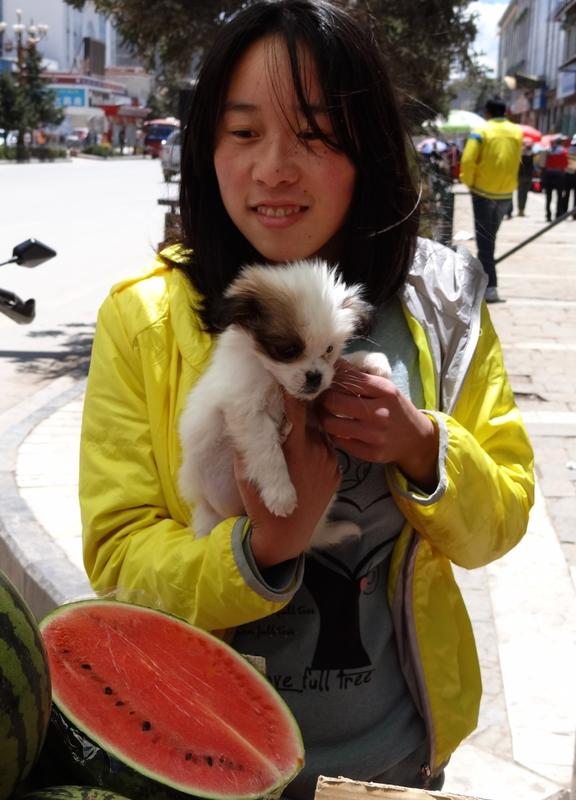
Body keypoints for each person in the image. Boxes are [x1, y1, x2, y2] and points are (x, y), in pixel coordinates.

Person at [79, 2, 535, 797]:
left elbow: (502, 518)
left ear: (367, 149)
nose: (273, 169)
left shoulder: (442, 303)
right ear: (207, 147)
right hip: (204, 757)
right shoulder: (143, 317)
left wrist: (423, 447)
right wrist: (259, 549)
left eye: (315, 135)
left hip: (395, 758)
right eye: (244, 131)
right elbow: (118, 564)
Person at [459, 97, 523, 303]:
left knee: (485, 243)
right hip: (506, 194)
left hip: (483, 193)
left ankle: (489, 287)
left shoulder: (481, 130)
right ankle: (483, 281)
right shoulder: (517, 132)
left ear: (487, 113)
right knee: (489, 240)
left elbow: (468, 159)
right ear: (505, 112)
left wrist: (469, 183)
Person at [541, 134, 569, 222]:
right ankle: (558, 214)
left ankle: (548, 215)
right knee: (559, 196)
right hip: (559, 176)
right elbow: (565, 164)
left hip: (548, 175)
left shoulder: (548, 150)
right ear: (561, 142)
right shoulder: (564, 151)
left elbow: (542, 164)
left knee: (548, 197)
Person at [516, 140, 535, 217]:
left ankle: (520, 210)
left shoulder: (520, 155)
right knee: (525, 194)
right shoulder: (532, 155)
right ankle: (522, 210)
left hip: (521, 176)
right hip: (528, 176)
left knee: (520, 193)